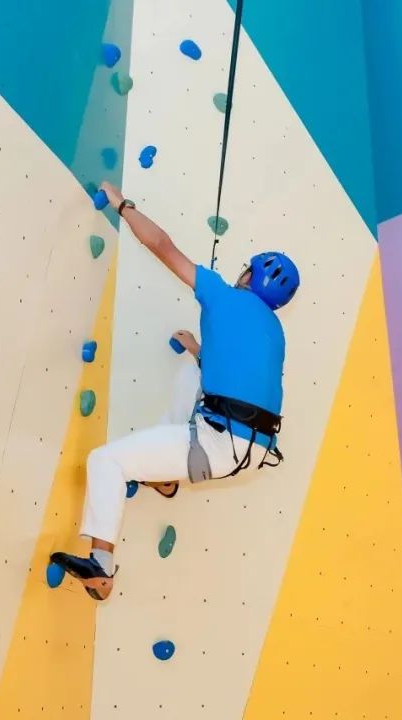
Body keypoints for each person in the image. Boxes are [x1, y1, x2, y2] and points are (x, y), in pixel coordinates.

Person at [50, 181, 300, 601]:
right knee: (189, 377)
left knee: (106, 461)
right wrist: (197, 350)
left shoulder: (222, 294)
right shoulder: (275, 332)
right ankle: (165, 478)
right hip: (254, 447)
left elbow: (161, 245)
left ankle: (101, 567)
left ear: (250, 275)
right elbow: (237, 377)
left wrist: (122, 205)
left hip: (218, 442)